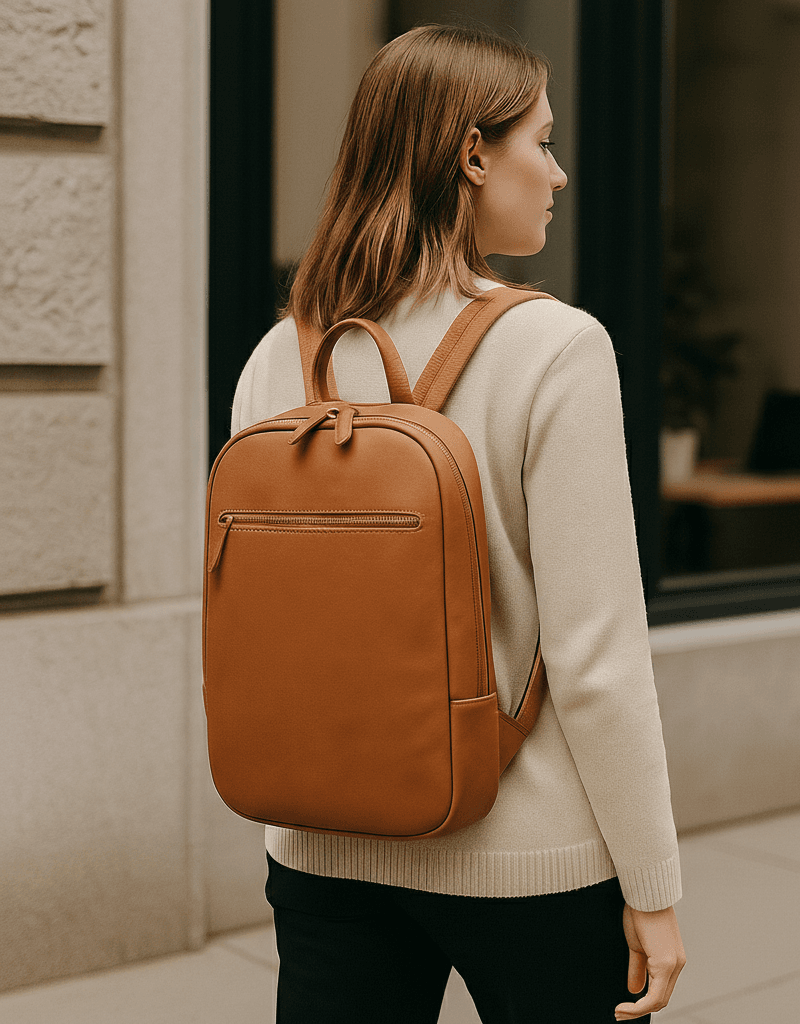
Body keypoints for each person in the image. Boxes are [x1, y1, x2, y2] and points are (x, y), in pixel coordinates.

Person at [230, 22, 686, 1024]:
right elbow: (596, 655)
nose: (558, 174)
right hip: (524, 860)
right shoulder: (555, 346)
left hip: (319, 843)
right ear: (473, 154)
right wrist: (652, 887)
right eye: (542, 140)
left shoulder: (280, 353)